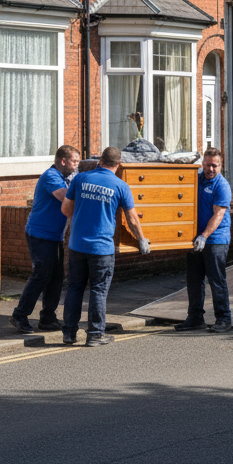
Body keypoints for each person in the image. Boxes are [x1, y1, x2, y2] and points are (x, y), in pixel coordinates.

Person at [60, 146, 149, 346]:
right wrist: (141, 239)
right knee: (98, 291)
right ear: (118, 165)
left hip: (77, 245)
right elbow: (132, 219)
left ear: (100, 161)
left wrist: (83, 217)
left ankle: (69, 334)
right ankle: (95, 335)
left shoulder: (80, 179)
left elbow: (66, 208)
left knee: (74, 288)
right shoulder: (120, 186)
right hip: (101, 249)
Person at [9, 145, 79, 334]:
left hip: (54, 236)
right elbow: (64, 198)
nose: (76, 166)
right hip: (39, 235)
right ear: (63, 161)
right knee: (41, 275)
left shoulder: (65, 178)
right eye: (74, 162)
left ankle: (48, 318)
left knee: (56, 278)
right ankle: (19, 315)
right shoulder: (51, 176)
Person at [175, 147, 233, 333]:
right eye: (208, 165)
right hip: (196, 238)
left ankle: (223, 319)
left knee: (216, 280)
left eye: (215, 166)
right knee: (193, 280)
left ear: (221, 166)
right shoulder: (197, 180)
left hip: (215, 239)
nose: (211, 169)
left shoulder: (221, 185)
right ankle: (195, 318)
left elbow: (218, 215)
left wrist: (204, 236)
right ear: (203, 164)